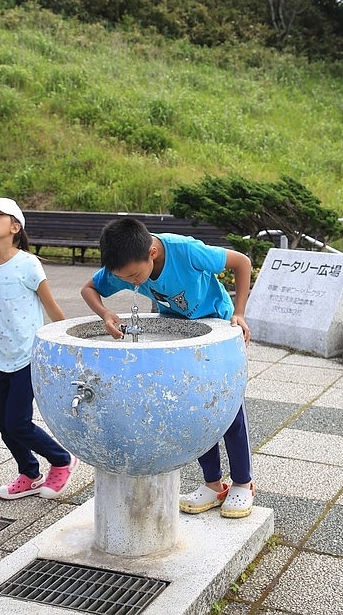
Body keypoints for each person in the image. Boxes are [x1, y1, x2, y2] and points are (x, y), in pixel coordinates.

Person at [81, 216, 255, 518]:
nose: (133, 283)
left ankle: (243, 483)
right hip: (178, 335)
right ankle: (213, 485)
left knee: (229, 411)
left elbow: (242, 262)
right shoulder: (125, 263)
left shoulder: (185, 251)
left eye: (136, 276)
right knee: (195, 410)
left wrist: (239, 313)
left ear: (152, 252)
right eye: (125, 280)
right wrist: (105, 313)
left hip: (216, 328)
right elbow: (88, 289)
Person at [0, 197, 78, 500]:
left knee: (18, 422)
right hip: (0, 357)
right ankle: (30, 473)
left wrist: (71, 343)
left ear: (14, 227)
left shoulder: (27, 264)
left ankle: (62, 459)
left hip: (28, 355)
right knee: (3, 423)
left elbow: (51, 307)